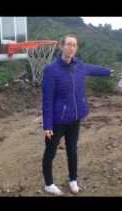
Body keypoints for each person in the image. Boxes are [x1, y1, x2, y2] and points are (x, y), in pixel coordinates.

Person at [42, 34, 113, 195]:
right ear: (61, 46)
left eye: (74, 45)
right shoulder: (51, 70)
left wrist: (109, 71)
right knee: (50, 152)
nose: (71, 47)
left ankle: (73, 180)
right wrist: (47, 125)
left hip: (75, 118)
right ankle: (48, 184)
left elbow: (93, 69)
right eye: (68, 44)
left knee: (72, 150)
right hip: (57, 120)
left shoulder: (79, 65)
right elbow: (47, 99)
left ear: (76, 48)